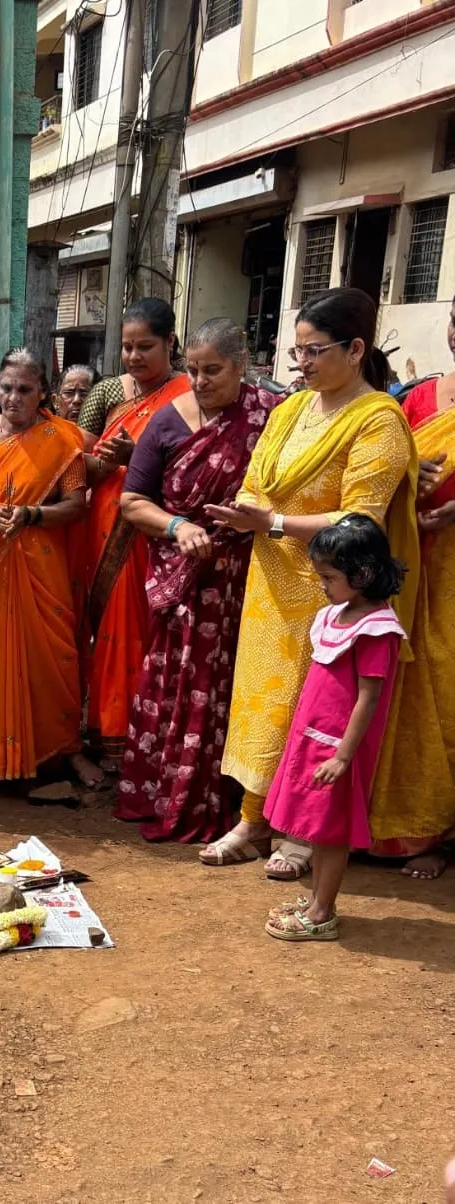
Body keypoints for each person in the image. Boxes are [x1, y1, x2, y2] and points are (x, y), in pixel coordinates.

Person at [202, 287, 419, 879]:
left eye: (314, 351)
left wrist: (272, 522)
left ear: (356, 349)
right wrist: (249, 512)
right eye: (296, 351)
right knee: (262, 706)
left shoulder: (378, 420)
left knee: (314, 711)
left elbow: (360, 518)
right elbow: (256, 482)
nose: (301, 364)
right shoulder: (291, 410)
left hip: (329, 590)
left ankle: (301, 829)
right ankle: (253, 819)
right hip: (271, 580)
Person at [116, 318, 275, 843]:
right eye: (193, 370)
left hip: (252, 579)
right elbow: (132, 502)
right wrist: (178, 526)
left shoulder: (271, 416)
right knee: (179, 683)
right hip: (186, 582)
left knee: (244, 687)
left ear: (241, 366)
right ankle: (171, 793)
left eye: (213, 371)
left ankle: (243, 806)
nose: (201, 381)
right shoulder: (167, 422)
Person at [0, 349, 100, 788]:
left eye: (24, 390)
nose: (13, 397)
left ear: (42, 392)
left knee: (56, 659)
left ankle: (62, 750)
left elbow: (75, 505)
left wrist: (31, 515)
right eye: (7, 388)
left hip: (42, 565)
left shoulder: (61, 439)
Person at [263, 516, 407, 941]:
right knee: (318, 826)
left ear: (361, 574)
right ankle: (316, 902)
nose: (322, 585)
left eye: (329, 577)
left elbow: (369, 697)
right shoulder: (338, 616)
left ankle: (322, 912)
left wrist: (343, 756)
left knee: (331, 831)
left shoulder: (377, 630)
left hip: (337, 748)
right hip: (315, 738)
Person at [82, 298, 194, 766]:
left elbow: (194, 469)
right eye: (127, 347)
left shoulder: (189, 393)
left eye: (144, 346)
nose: (133, 356)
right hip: (103, 523)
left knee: (143, 628)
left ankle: (143, 734)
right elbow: (79, 463)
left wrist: (139, 459)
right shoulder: (106, 393)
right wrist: (104, 462)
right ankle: (104, 731)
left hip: (154, 528)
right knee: (106, 625)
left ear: (170, 342)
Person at [369, 291, 455, 879]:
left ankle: (445, 833)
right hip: (412, 562)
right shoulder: (417, 398)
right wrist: (407, 479)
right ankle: (404, 826)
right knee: (405, 683)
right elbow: (384, 466)